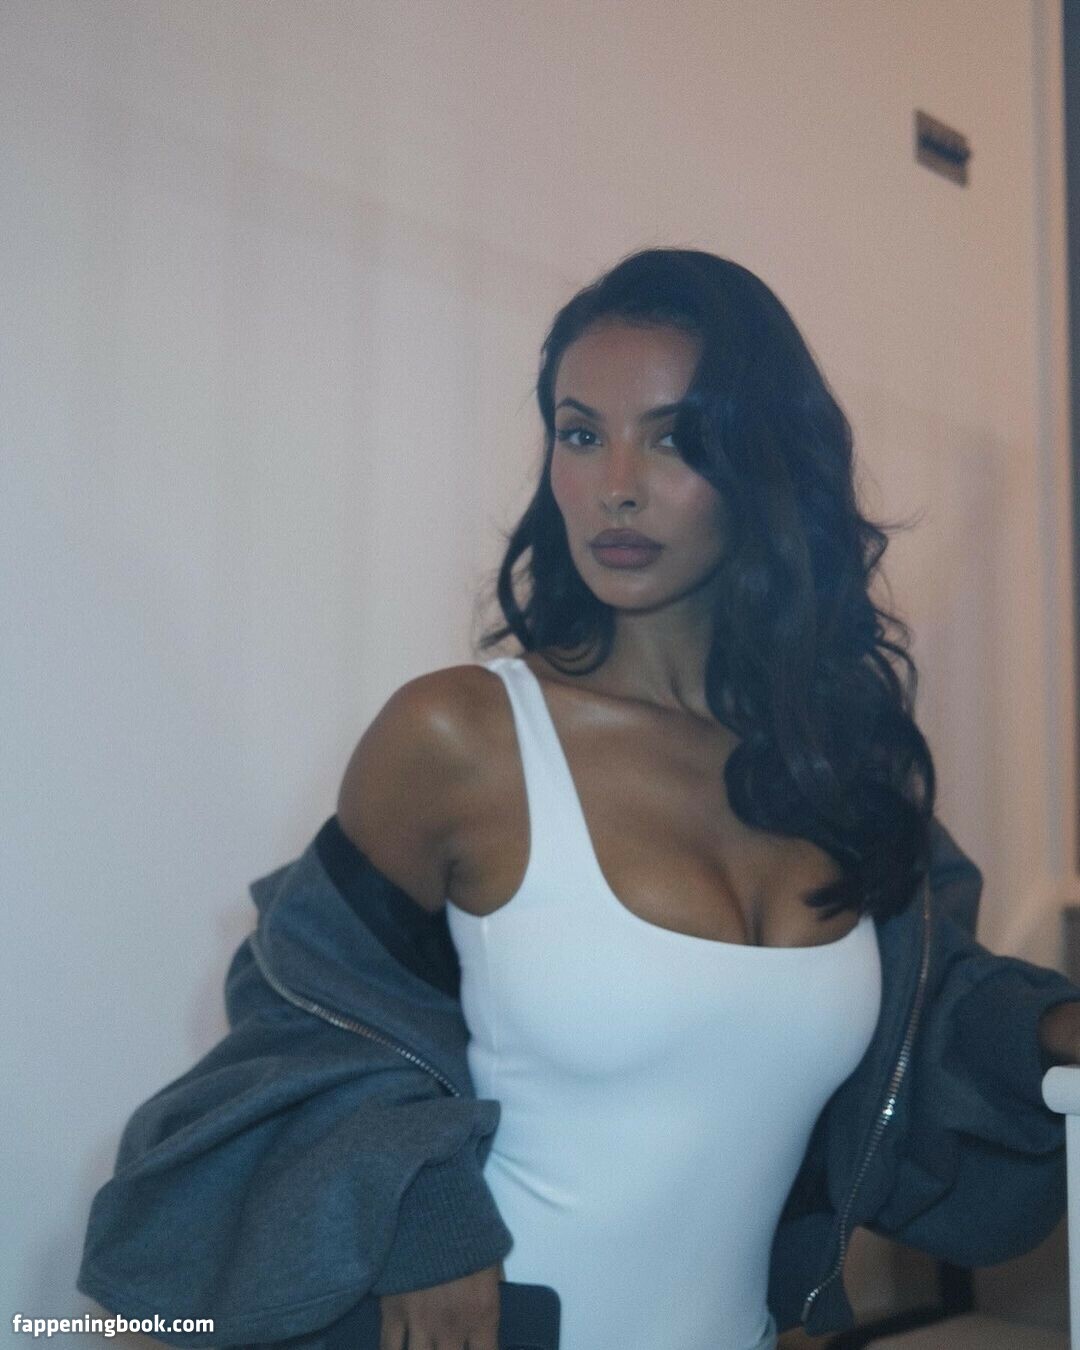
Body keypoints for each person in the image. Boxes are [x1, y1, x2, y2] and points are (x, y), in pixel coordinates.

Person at [79, 249, 1080, 1350]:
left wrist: (1049, 1028)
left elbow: (925, 1011)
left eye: (675, 438)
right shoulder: (460, 737)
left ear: (767, 464)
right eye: (581, 433)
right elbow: (305, 1016)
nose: (616, 486)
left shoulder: (841, 771)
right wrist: (423, 1211)